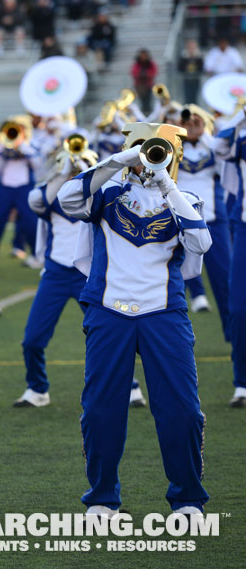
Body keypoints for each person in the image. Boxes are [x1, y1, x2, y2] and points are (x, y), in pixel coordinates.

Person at [58, 122, 211, 517]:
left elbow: (200, 243)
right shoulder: (108, 192)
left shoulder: (187, 198)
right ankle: (103, 498)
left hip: (164, 312)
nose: (147, 158)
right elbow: (67, 199)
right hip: (109, 311)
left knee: (183, 410)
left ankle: (187, 499)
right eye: (141, 149)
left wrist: (166, 186)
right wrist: (118, 160)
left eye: (157, 151)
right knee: (100, 410)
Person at [15, 136, 146, 407]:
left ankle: (131, 385)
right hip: (56, 274)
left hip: (91, 275)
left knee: (111, 335)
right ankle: (37, 389)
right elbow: (35, 202)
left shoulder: (105, 191)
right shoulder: (53, 191)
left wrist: (90, 168)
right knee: (32, 339)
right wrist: (63, 172)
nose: (77, 163)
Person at [176, 106, 231, 337]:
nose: (191, 125)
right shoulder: (174, 150)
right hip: (178, 224)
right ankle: (173, 338)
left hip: (213, 222)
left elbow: (224, 162)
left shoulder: (213, 148)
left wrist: (204, 132)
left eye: (195, 122)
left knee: (225, 284)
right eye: (187, 122)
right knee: (173, 282)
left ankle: (235, 336)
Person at [214, 102, 246, 407]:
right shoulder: (242, 140)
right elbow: (218, 143)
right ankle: (242, 382)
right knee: (238, 309)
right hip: (245, 229)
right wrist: (242, 114)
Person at [0, 116, 41, 270]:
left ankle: (37, 255)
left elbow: (38, 164)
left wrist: (21, 146)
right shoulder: (2, 145)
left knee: (31, 224)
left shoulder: (31, 145)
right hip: (6, 189)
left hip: (24, 188)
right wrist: (5, 148)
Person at [131, 49, 157, 115]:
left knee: (148, 101)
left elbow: (154, 72)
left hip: (148, 85)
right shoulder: (137, 64)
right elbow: (134, 72)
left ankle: (148, 114)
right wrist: (141, 74)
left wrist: (146, 74)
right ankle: (143, 114)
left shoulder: (150, 64)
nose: (143, 57)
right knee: (142, 101)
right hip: (140, 86)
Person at [178, 39, 204, 104]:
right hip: (187, 79)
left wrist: (195, 57)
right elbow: (180, 68)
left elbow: (201, 68)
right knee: (187, 97)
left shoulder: (198, 56)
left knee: (195, 97)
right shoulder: (184, 56)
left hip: (196, 79)